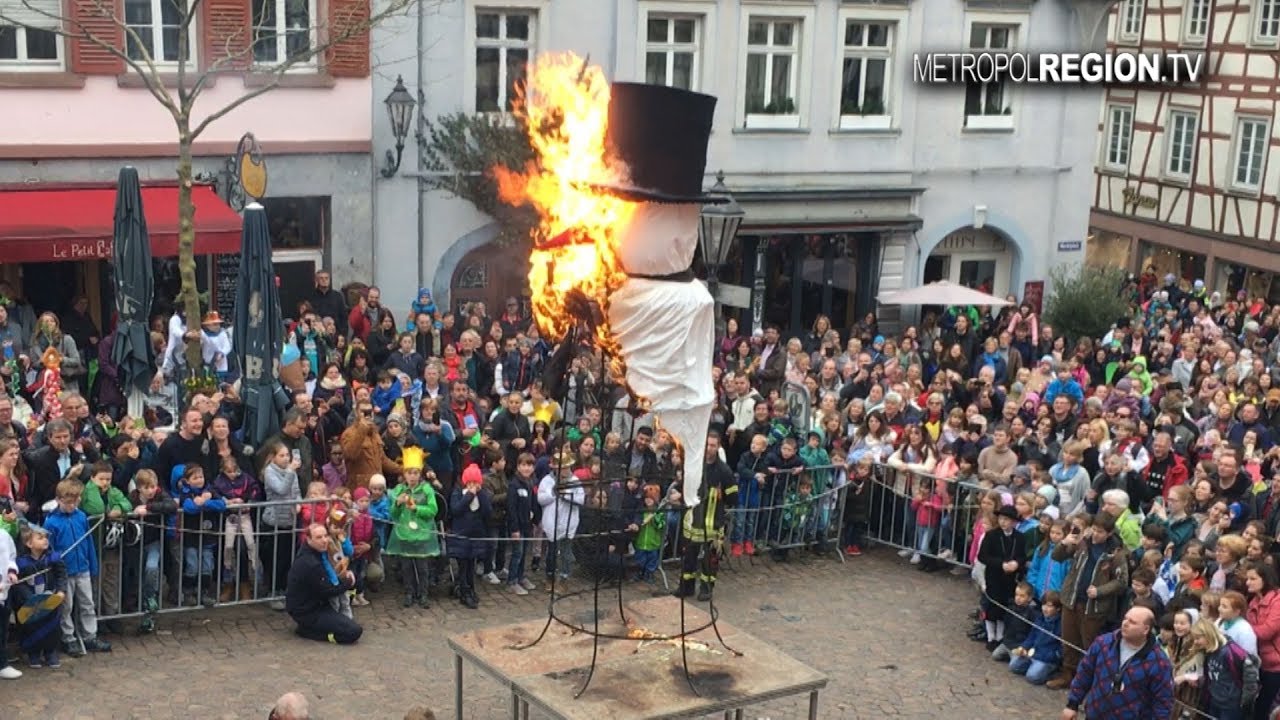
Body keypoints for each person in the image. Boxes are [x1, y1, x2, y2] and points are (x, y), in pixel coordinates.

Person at [1061, 606, 1174, 720]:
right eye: (1125, 618)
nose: (1125, 623)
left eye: (1132, 622)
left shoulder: (1159, 662)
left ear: (1145, 629)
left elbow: (1163, 701)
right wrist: (1072, 704)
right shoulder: (1103, 643)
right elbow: (1084, 673)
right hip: (1094, 715)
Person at [285, 523, 362, 645]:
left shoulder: (318, 553)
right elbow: (328, 590)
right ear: (309, 539)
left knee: (357, 581)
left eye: (325, 536)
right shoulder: (310, 562)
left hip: (318, 603)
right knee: (353, 632)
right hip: (308, 611)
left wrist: (345, 575)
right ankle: (308, 631)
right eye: (319, 537)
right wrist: (347, 582)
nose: (324, 540)